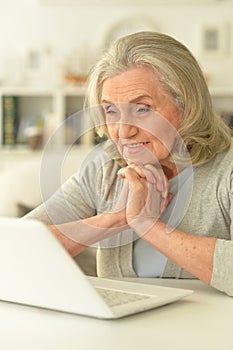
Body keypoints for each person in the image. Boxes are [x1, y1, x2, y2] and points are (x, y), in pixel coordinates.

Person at [25, 31, 233, 296]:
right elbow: (15, 248)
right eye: (111, 111)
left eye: (143, 109)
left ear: (187, 105)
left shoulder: (226, 170)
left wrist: (148, 226)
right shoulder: (106, 167)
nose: (122, 132)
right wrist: (115, 220)